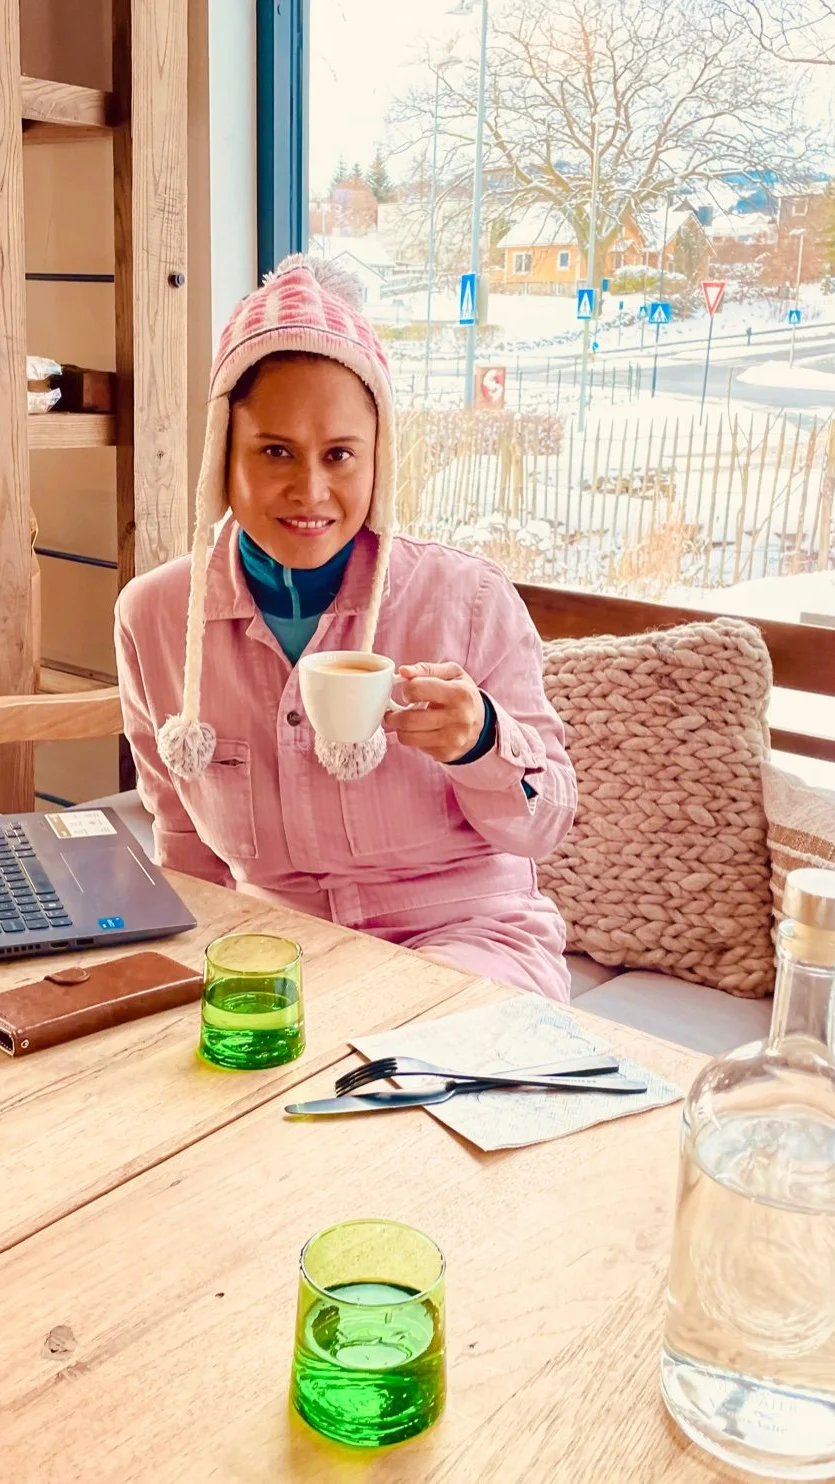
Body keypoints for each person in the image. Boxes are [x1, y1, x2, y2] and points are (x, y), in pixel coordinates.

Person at [115, 255, 577, 1000]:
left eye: (340, 455)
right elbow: (185, 849)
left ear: (378, 463)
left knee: (394, 1064)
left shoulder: (468, 600)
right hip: (281, 954)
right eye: (274, 452)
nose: (311, 490)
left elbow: (543, 826)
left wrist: (482, 743)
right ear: (221, 458)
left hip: (467, 943)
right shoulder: (158, 618)